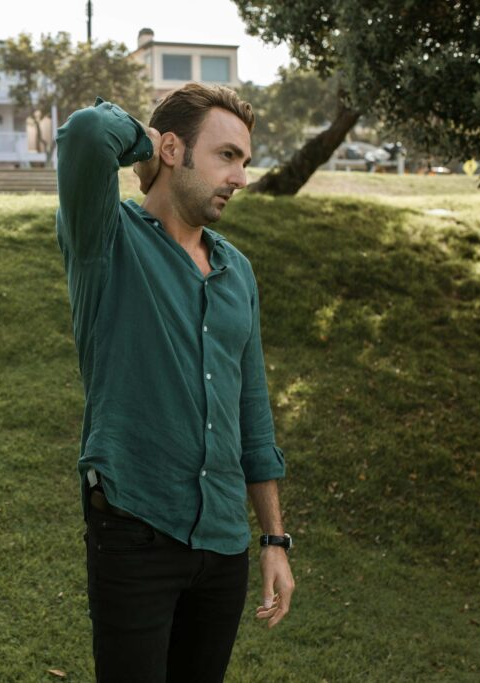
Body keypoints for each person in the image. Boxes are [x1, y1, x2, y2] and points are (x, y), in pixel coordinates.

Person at [55, 83, 294, 683]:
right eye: (226, 155)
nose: (240, 176)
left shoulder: (237, 270)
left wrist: (274, 538)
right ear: (172, 149)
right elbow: (85, 133)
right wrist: (143, 144)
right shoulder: (104, 241)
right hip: (136, 530)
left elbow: (252, 409)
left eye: (244, 159)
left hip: (222, 543)